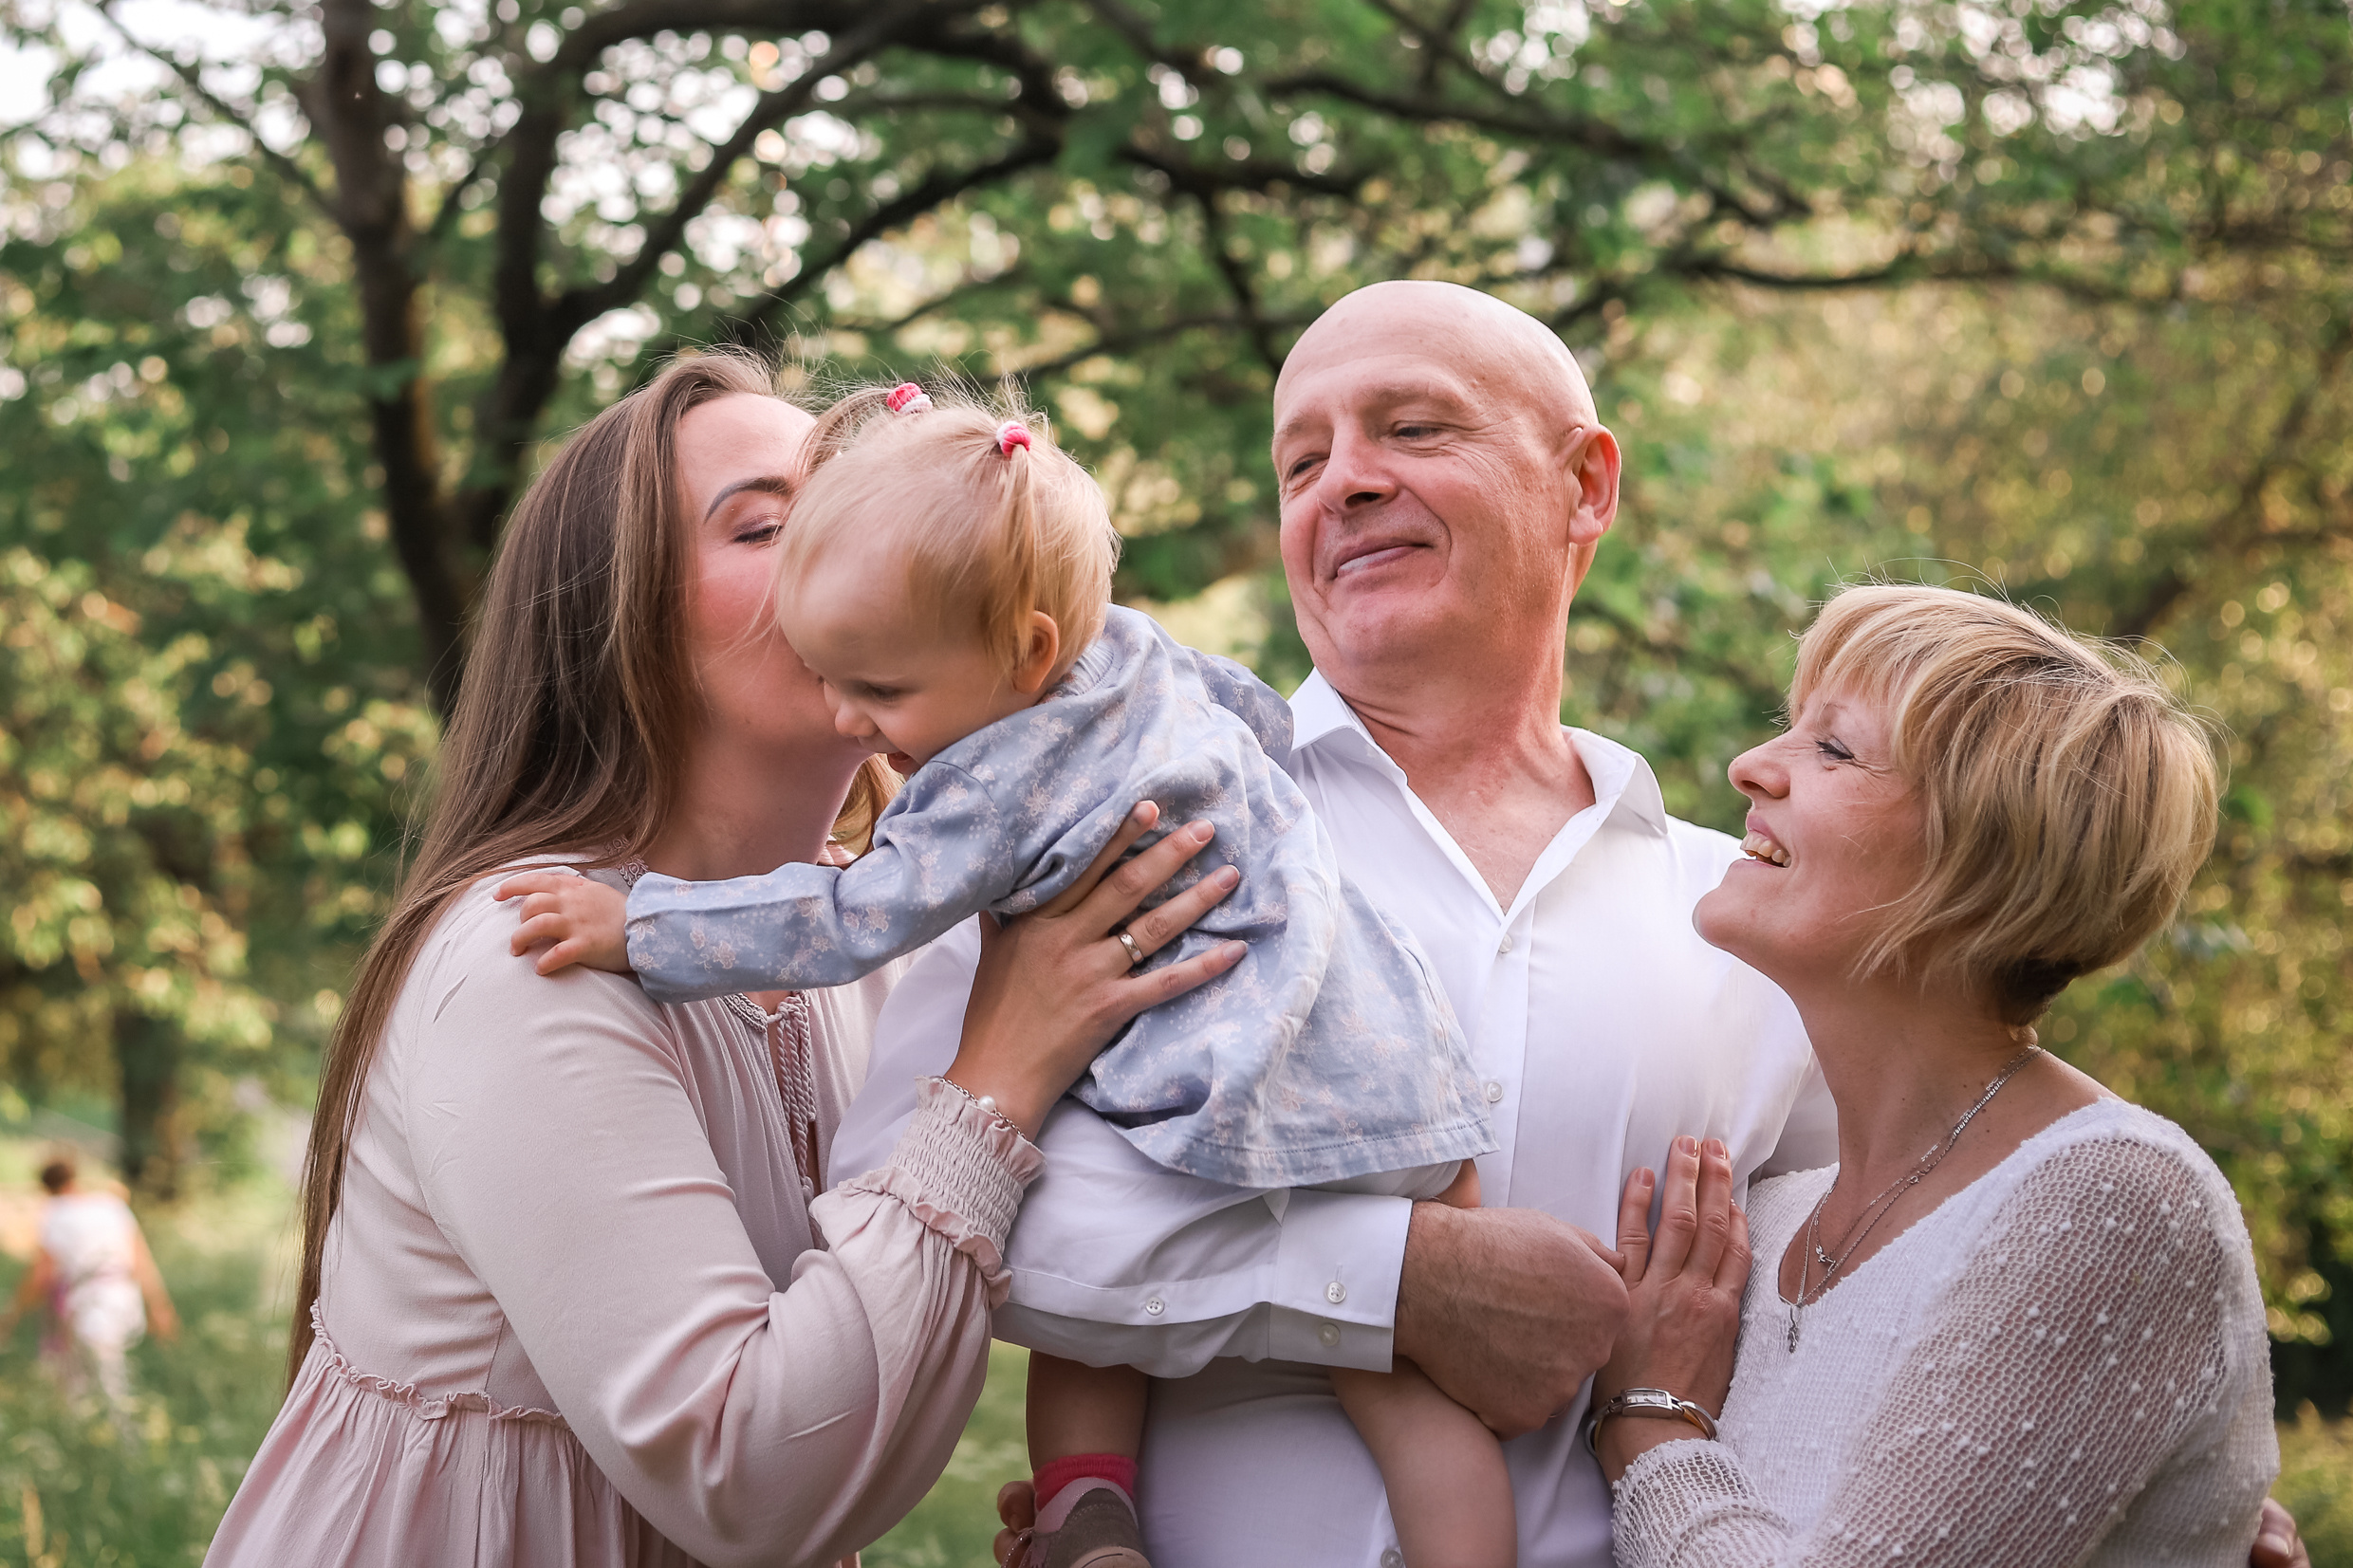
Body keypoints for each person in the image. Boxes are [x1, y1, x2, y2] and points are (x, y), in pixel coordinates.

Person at [833, 280, 1831, 1568]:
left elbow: (1842, 1321)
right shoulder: (1122, 818)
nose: (1342, 482)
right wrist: (1391, 1278)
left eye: (1413, 429)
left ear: (1584, 485)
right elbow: (897, 1202)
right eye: (1303, 459)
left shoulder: (1747, 925)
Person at [202, 353, 1245, 1568]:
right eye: (768, 524)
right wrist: (999, 1076)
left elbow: (1108, 1256)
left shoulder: (877, 971)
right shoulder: (529, 955)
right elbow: (746, 1477)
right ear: (617, 620)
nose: (852, 548)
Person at [502, 383, 1513, 1568]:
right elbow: (1257, 715)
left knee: (1089, 1310)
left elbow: (841, 917)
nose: (849, 718)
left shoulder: (982, 785)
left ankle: (1088, 1509)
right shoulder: (1132, 652)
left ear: (1023, 650)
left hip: (1218, 1075)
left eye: (878, 693)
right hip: (1379, 1048)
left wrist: (642, 926)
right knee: (1413, 1383)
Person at [1590, 584, 2277, 1563]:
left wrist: (1646, 1424)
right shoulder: (1770, 1218)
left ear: (1985, 855)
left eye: (1829, 748)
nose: (1749, 767)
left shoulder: (2115, 1204)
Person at [0, 1154, 177, 1412]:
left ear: (46, 1188)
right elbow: (141, 1260)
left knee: (99, 1384)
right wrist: (160, 1307)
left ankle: (121, 1441)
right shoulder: (111, 1205)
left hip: (90, 1302)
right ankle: (101, 1436)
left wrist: (12, 1315)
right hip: (125, 1296)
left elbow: (41, 1275)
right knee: (101, 1374)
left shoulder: (57, 1213)